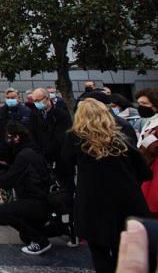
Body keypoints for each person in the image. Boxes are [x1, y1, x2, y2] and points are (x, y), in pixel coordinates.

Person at [60, 99, 151, 272]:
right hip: (125, 201)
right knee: (122, 249)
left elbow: (66, 163)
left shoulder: (74, 137)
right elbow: (144, 172)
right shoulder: (121, 137)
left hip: (92, 201)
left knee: (98, 251)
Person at [0, 123, 53, 256]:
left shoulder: (24, 154)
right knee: (25, 237)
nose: (7, 141)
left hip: (37, 201)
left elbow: (7, 181)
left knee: (2, 212)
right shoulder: (29, 150)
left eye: (9, 137)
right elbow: (19, 172)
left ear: (17, 138)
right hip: (40, 199)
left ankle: (41, 242)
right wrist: (7, 165)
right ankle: (63, 229)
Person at [137, 87, 158, 216]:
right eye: (139, 104)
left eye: (144, 104)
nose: (141, 107)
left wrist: (148, 140)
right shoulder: (149, 121)